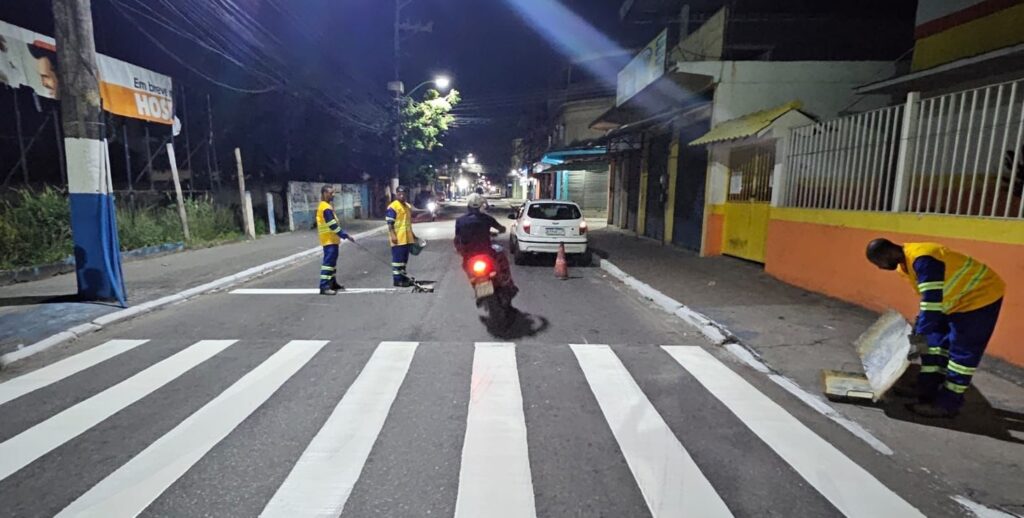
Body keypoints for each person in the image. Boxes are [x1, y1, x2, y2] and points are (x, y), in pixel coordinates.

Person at [866, 239, 1005, 418]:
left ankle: (948, 404)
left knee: (961, 354)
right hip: (952, 301)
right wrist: (920, 333)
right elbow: (929, 299)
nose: (880, 267)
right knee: (933, 343)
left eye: (879, 263)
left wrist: (917, 339)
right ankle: (926, 387)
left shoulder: (923, 259)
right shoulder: (904, 265)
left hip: (979, 299)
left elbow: (931, 304)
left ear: (888, 254)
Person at [455, 193, 518, 298]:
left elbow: (458, 236)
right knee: (502, 256)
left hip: (469, 255)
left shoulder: (460, 220)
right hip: (486, 252)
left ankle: (474, 283)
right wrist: (498, 231)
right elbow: (501, 228)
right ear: (481, 206)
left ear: (468, 206)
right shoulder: (487, 218)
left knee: (465, 266)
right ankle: (508, 282)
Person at [316, 186, 353, 295]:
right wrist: (344, 235)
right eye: (331, 193)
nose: (333, 195)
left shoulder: (327, 206)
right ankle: (324, 286)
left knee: (332, 264)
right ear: (324, 193)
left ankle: (332, 283)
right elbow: (332, 225)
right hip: (329, 240)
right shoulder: (325, 208)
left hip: (332, 239)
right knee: (328, 264)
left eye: (333, 193)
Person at [386, 186, 417, 287]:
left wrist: (413, 235)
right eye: (399, 194)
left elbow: (408, 223)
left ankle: (403, 278)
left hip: (407, 238)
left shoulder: (407, 206)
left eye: (403, 194)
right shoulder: (393, 207)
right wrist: (392, 235)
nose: (402, 195)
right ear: (396, 194)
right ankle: (397, 280)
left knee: (404, 261)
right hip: (398, 239)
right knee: (397, 261)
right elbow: (390, 223)